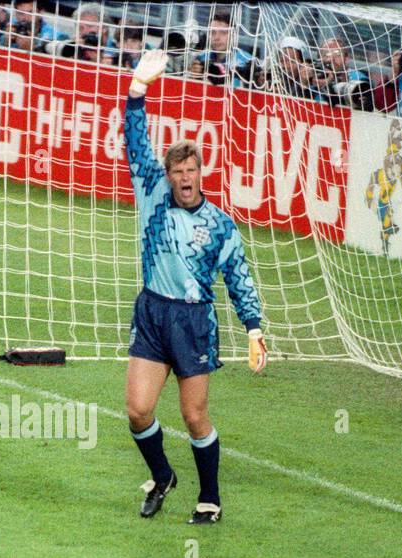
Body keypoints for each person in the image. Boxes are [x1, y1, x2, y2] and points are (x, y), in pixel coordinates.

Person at [122, 50, 268, 525]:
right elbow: (136, 140)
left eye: (192, 172)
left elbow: (239, 277)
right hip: (152, 312)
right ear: (168, 176)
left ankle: (210, 498)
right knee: (138, 411)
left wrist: (253, 328)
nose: (185, 180)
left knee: (193, 416)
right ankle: (162, 475)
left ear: (201, 174)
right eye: (178, 172)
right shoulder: (153, 195)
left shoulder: (221, 226)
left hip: (193, 322)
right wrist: (137, 93)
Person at [309, 37, 372, 109]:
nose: (330, 59)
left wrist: (326, 87)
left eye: (337, 55)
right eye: (325, 55)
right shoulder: (314, 77)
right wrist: (302, 84)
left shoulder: (360, 79)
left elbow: (364, 109)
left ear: (346, 59)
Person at [196, 14, 254, 88]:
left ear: (233, 35)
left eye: (223, 33)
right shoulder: (200, 58)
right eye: (213, 33)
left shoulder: (248, 61)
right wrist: (193, 76)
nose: (216, 38)